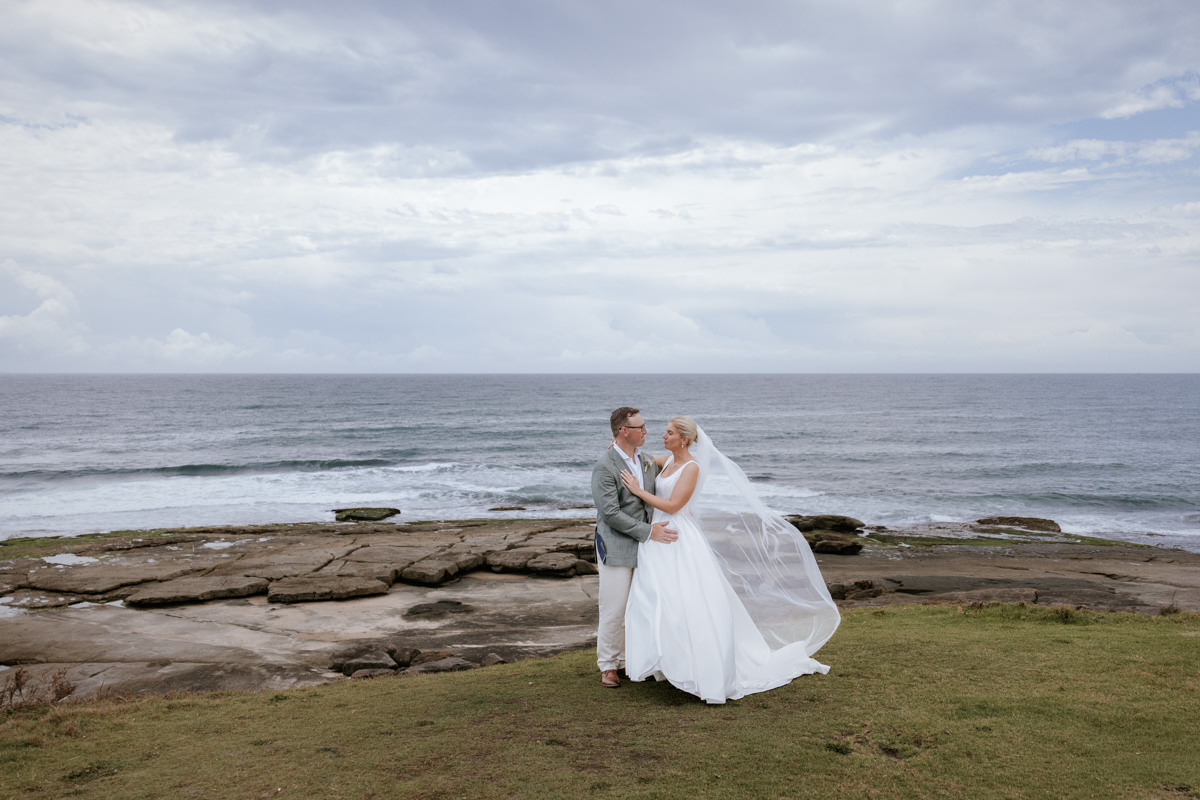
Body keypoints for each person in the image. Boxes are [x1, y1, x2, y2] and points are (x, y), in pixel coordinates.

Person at [619, 416, 840, 704]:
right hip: (656, 538)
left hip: (677, 537)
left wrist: (639, 492)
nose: (664, 435)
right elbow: (642, 461)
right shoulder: (667, 461)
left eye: (670, 432)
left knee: (685, 600)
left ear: (684, 439)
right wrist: (622, 445)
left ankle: (698, 668)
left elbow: (674, 505)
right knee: (655, 598)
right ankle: (665, 661)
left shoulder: (691, 467)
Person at [591, 407, 678, 689]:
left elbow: (680, 459)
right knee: (614, 608)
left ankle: (632, 660)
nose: (646, 431)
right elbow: (610, 513)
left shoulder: (645, 460)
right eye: (640, 427)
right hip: (616, 546)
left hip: (646, 549)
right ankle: (608, 665)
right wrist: (649, 531)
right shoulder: (605, 465)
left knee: (638, 607)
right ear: (623, 431)